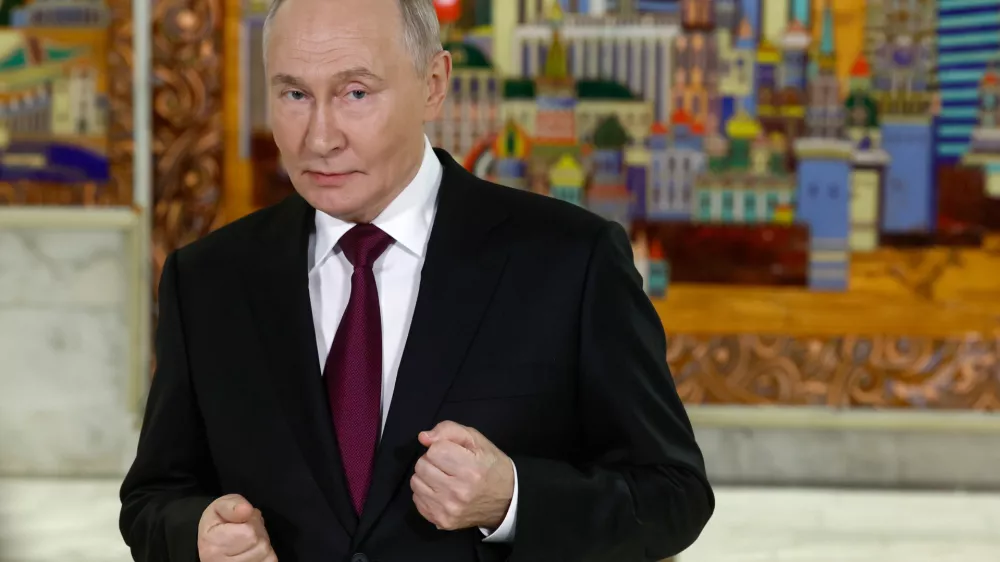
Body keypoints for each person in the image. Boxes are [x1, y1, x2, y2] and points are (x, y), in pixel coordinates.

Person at [118, 0, 714, 560]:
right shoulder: (207, 279)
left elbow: (674, 494)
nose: (319, 137)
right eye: (295, 93)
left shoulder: (571, 261)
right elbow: (151, 500)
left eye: (355, 93)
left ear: (434, 85)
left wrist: (512, 499)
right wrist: (196, 534)